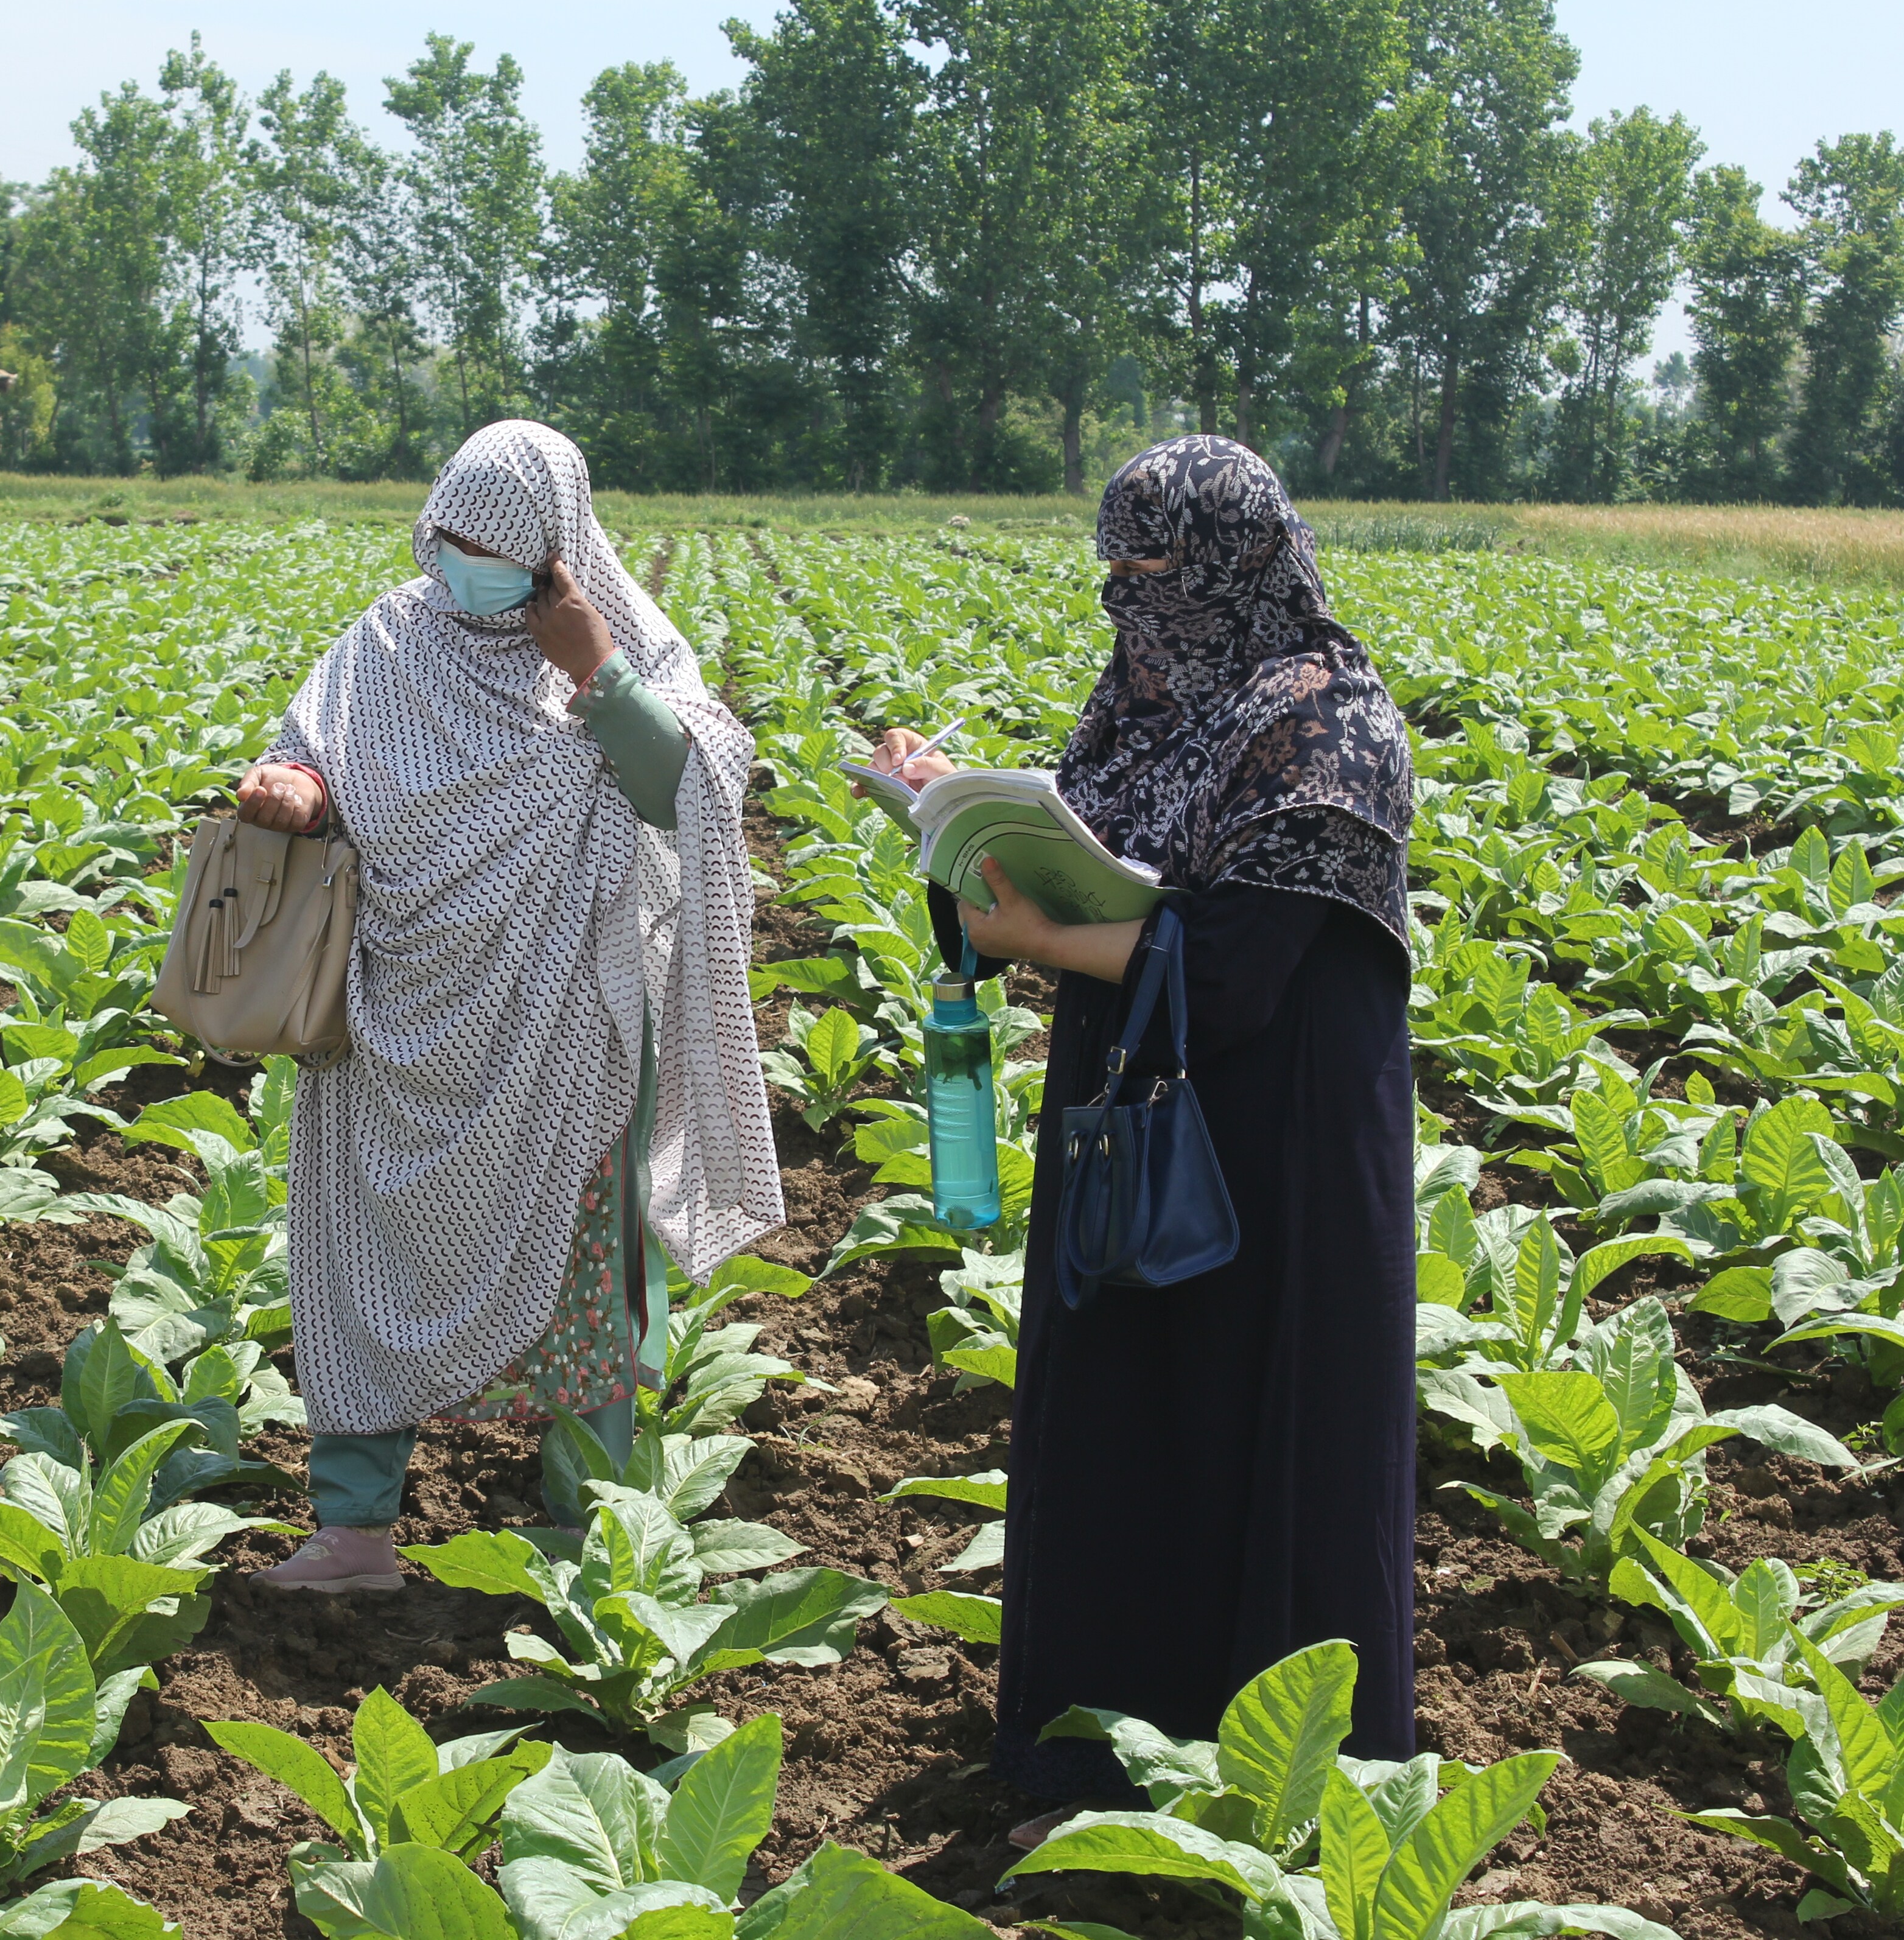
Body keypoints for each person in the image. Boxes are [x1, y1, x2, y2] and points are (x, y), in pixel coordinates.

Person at [872, 435, 1419, 1810]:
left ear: (1239, 563)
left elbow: (1234, 965)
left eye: (1159, 572)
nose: (1133, 605)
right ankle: (1100, 1752)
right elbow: (1095, 863)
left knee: (1258, 1431)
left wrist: (1044, 933)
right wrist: (954, 814)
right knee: (1123, 1415)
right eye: (1114, 574)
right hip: (1131, 1112)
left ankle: (1283, 1780)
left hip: (1271, 1149)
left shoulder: (1325, 719)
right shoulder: (1143, 702)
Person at [232, 420, 786, 1594]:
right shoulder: (385, 640)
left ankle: (588, 1541)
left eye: (494, 544)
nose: (464, 560)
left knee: (590, 1278)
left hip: (567, 1025)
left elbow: (687, 790)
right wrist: (297, 785)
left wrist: (596, 667)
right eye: (451, 536)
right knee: (367, 1259)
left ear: (553, 547)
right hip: (397, 1016)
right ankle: (354, 1533)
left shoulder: (616, 643)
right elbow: (321, 756)